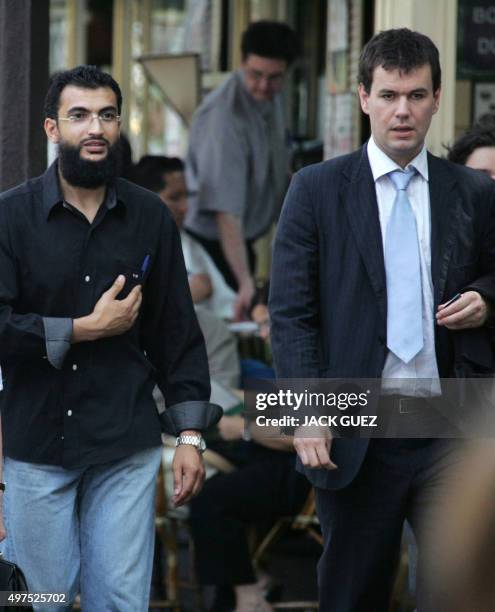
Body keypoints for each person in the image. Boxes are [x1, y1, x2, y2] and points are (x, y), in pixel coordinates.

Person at [269, 28, 495, 611]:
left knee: (458, 592)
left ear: (438, 98)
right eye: (390, 95)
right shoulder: (314, 189)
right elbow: (292, 313)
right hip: (356, 418)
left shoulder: (471, 190)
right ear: (364, 96)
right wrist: (307, 410)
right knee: (352, 591)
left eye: (416, 96)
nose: (403, 111)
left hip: (452, 420)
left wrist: (485, 300)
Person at [0, 65, 220, 611]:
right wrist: (82, 329)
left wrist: (190, 436)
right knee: (42, 601)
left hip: (125, 441)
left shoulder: (150, 216)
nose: (94, 127)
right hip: (36, 447)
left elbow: (178, 336)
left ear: (119, 125)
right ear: (52, 128)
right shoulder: (11, 217)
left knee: (121, 601)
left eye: (106, 115)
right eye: (79, 115)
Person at [185, 20, 298, 320]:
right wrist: (245, 281)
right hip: (213, 246)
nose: (263, 85)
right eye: (256, 74)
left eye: (274, 78)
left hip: (243, 240)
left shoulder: (272, 98)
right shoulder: (223, 116)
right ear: (241, 63)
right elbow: (226, 213)